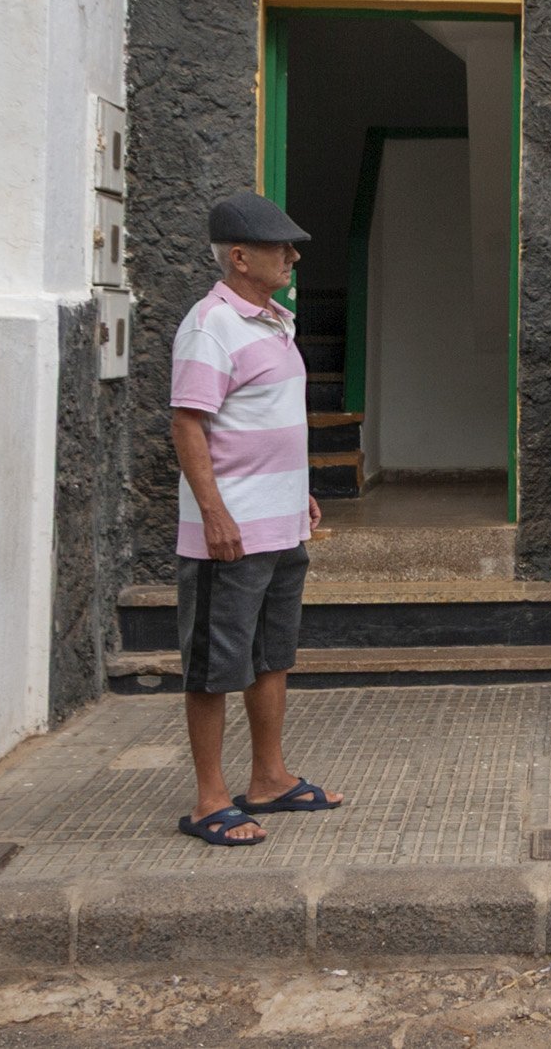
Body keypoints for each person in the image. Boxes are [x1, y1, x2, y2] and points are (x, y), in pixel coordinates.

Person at [170, 192, 341, 846]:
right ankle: (210, 798)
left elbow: (268, 420)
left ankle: (268, 777)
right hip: (231, 533)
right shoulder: (210, 325)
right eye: (279, 247)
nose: (292, 256)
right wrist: (214, 512)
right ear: (239, 257)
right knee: (214, 663)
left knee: (272, 656)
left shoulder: (274, 320)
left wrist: (298, 493)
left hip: (280, 524)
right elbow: (189, 422)